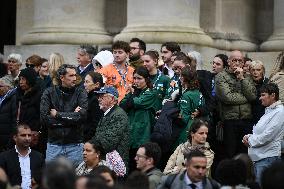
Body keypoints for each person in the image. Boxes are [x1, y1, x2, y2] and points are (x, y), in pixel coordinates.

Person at [40, 64, 88, 166]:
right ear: (62, 77)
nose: (74, 78)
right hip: (54, 145)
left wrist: (58, 115)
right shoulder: (49, 92)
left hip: (75, 145)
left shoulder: (81, 92)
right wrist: (72, 117)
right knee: (52, 179)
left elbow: (82, 117)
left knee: (76, 180)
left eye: (75, 75)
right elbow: (44, 119)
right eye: (71, 76)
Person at [215, 50, 256, 158]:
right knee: (230, 153)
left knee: (244, 153)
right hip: (230, 121)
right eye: (234, 60)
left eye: (240, 61)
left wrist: (242, 79)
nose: (237, 63)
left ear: (243, 63)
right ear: (228, 62)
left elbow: (252, 96)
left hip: (246, 120)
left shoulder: (247, 77)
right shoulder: (221, 76)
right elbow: (228, 98)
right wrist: (246, 98)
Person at [120, 66, 160, 173]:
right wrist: (132, 95)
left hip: (142, 135)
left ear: (146, 79)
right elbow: (122, 105)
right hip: (130, 134)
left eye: (139, 78)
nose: (136, 81)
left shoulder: (151, 93)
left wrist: (132, 95)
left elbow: (135, 103)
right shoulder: (134, 92)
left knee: (139, 168)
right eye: (135, 78)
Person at [242, 83, 284, 183]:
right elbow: (260, 133)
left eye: (263, 95)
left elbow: (268, 136)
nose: (260, 98)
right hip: (259, 158)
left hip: (267, 159)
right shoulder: (269, 111)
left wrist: (250, 141)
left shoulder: (280, 112)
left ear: (273, 95)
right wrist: (248, 136)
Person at [91, 86, 129, 171]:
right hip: (106, 163)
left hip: (115, 166)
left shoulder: (119, 115)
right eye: (98, 97)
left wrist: (91, 145)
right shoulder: (108, 113)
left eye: (102, 97)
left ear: (112, 99)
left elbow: (109, 142)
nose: (99, 99)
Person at [0, 124, 44, 189]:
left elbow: (43, 179)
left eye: (29, 135)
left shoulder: (39, 157)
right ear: (15, 137)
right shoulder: (4, 157)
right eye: (23, 135)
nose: (27, 138)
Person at [173, 66, 205, 147]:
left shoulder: (187, 95)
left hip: (186, 129)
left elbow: (184, 117)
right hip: (198, 127)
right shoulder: (198, 92)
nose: (179, 78)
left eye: (180, 76)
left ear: (183, 78)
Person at [16, 68, 42, 138]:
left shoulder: (39, 96)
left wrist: (38, 131)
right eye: (20, 79)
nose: (21, 82)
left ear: (30, 80)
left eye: (23, 79)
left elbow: (42, 117)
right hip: (19, 134)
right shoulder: (18, 95)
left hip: (32, 135)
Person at [83, 72, 104, 141]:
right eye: (84, 82)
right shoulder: (90, 97)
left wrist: (87, 139)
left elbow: (96, 123)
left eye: (87, 82)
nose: (84, 85)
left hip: (90, 140)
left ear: (97, 84)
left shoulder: (96, 99)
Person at [0, 77, 17, 152]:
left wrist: (11, 140)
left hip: (7, 141)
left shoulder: (13, 98)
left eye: (0, 86)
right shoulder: (2, 97)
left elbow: (14, 120)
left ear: (8, 86)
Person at [250, 60, 269, 125]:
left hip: (264, 118)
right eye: (253, 70)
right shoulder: (247, 83)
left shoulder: (268, 83)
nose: (255, 72)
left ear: (263, 71)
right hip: (249, 119)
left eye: (258, 70)